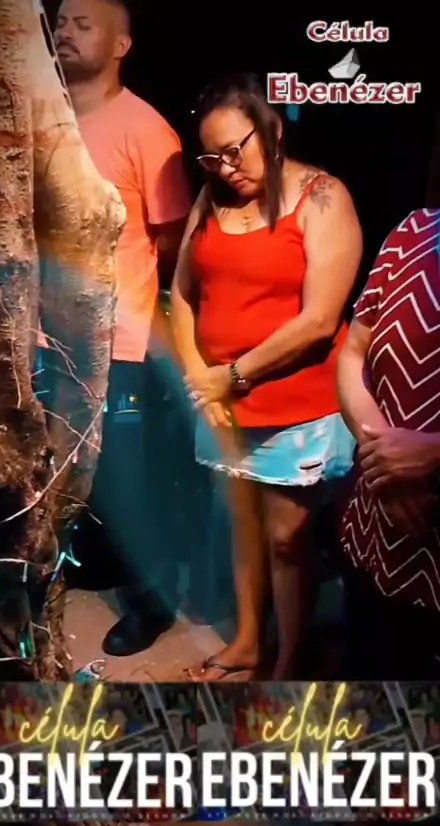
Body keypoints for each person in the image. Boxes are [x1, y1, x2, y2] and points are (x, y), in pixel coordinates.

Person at [170, 72, 362, 681]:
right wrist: (200, 378)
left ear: (273, 130)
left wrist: (231, 376)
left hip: (293, 403)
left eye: (235, 150)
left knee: (287, 538)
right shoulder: (212, 199)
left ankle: (289, 658)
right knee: (242, 526)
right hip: (220, 399)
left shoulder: (323, 196)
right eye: (211, 157)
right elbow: (182, 292)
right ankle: (250, 641)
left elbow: (320, 320)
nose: (225, 168)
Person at [51, 0, 191, 656]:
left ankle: (152, 600)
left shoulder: (147, 129)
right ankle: (102, 563)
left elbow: (172, 242)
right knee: (70, 468)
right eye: (61, 20)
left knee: (130, 479)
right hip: (49, 338)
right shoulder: (48, 118)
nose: (65, 31)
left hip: (121, 341)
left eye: (83, 23)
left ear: (121, 44)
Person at [337, 207, 440, 678]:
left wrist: (431, 453)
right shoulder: (414, 230)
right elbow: (353, 354)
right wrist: (385, 464)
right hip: (377, 529)